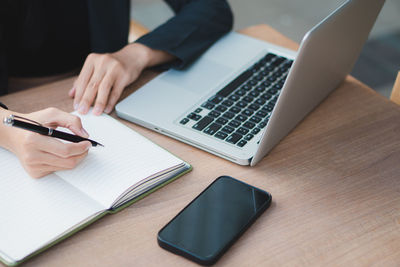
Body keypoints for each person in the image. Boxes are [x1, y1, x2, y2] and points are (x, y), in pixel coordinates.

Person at [0, 0, 233, 178]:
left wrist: (138, 53)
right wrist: (8, 131)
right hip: (14, 100)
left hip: (113, 86)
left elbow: (212, 7)